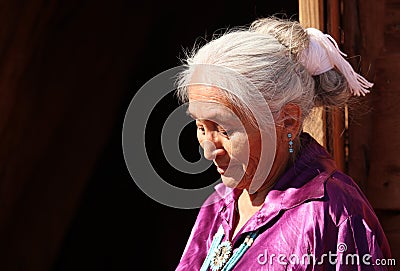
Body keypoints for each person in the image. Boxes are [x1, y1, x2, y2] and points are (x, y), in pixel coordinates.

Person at [175, 18, 392, 270]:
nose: (208, 150)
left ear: (288, 121)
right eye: (201, 127)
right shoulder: (221, 205)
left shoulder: (333, 215)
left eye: (225, 129)